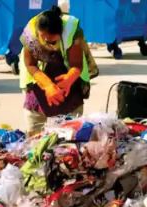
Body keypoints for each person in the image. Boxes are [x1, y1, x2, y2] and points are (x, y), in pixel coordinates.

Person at [19, 6, 91, 135]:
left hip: (66, 84)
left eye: (52, 41)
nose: (47, 42)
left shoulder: (71, 31)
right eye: (44, 38)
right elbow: (30, 64)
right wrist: (48, 85)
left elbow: (77, 64)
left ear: (61, 33)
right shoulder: (31, 34)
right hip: (38, 79)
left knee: (71, 134)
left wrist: (70, 78)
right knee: (35, 135)